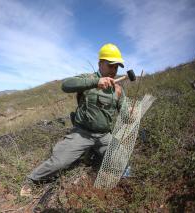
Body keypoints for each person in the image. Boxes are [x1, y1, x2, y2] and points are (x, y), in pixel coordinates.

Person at [20, 43, 126, 197]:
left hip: (104, 136)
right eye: (111, 65)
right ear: (100, 64)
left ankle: (92, 153)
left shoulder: (117, 88)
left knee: (121, 161)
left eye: (117, 67)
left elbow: (123, 112)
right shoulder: (88, 79)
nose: (114, 70)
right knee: (60, 162)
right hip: (82, 133)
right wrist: (95, 82)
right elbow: (66, 85)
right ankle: (31, 180)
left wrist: (127, 108)